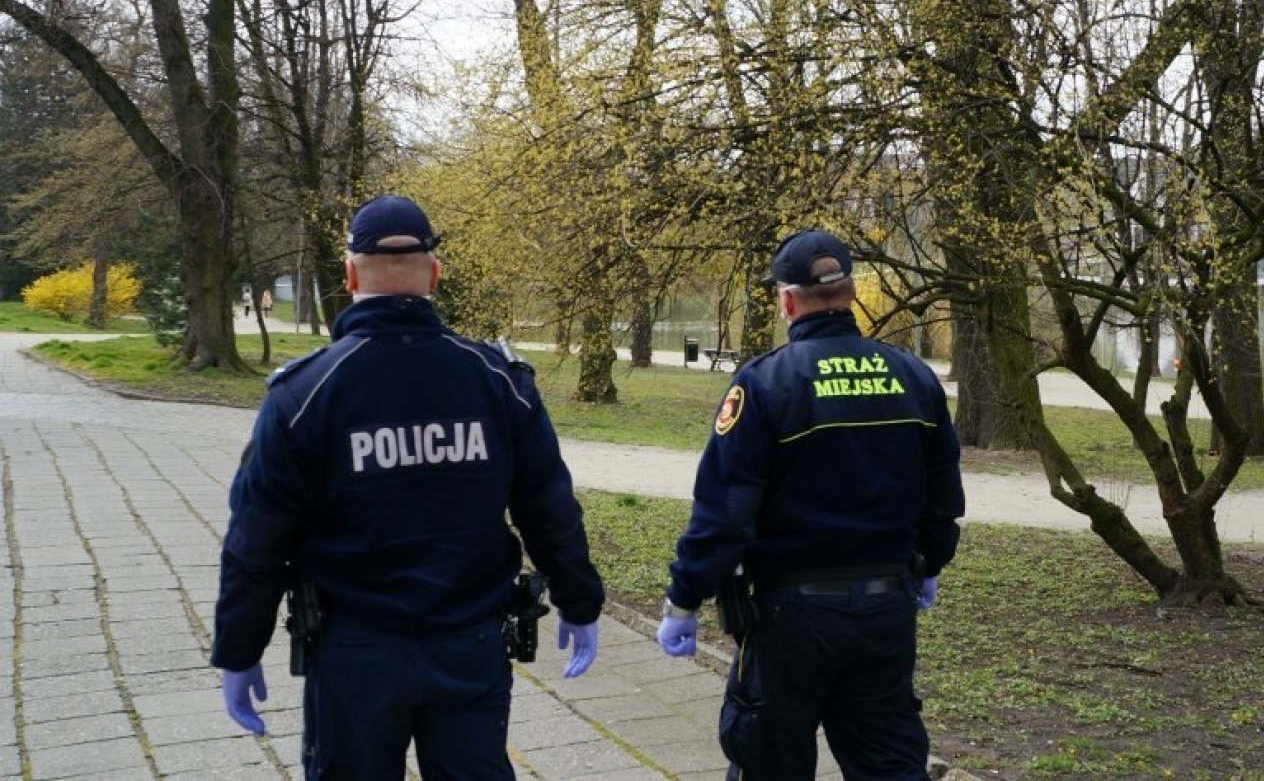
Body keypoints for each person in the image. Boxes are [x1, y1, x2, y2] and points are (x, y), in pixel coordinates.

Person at [212, 194, 605, 778]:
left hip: (355, 653)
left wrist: (239, 649)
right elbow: (547, 507)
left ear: (349, 275)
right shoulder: (498, 382)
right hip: (469, 644)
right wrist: (579, 600)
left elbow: (257, 540)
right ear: (434, 275)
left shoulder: (304, 394)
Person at [656, 229, 965, 780]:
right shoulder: (913, 377)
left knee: (769, 761)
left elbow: (726, 513)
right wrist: (931, 564)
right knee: (890, 764)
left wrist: (684, 599)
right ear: (851, 293)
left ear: (787, 300)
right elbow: (943, 495)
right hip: (885, 609)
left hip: (790, 618)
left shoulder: (766, 383)